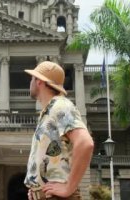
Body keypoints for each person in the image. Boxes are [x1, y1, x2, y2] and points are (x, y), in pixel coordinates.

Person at [24, 61, 94, 200]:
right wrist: (36, 188)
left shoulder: (60, 106)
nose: (30, 81)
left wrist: (69, 188)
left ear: (40, 81)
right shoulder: (48, 111)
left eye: (33, 78)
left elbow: (85, 143)